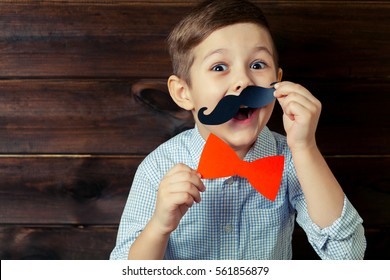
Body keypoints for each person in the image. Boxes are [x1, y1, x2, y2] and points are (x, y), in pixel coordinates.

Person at [110, 0, 366, 260]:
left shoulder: (293, 161)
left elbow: (347, 257)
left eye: (257, 65)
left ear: (277, 82)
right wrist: (159, 227)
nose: (243, 81)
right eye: (219, 67)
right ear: (184, 93)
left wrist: (305, 147)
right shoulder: (158, 167)